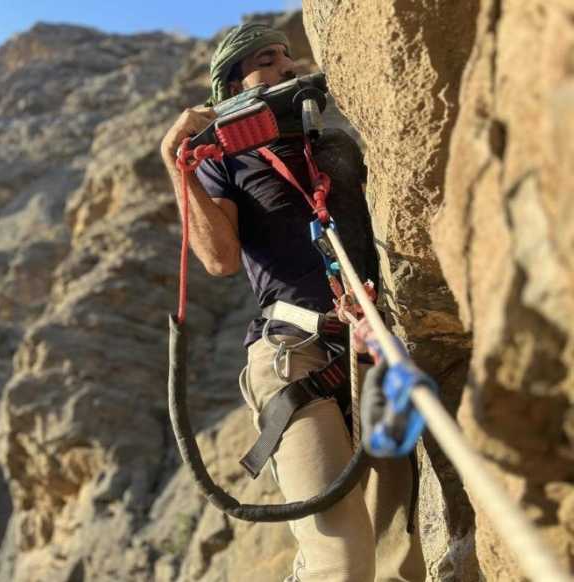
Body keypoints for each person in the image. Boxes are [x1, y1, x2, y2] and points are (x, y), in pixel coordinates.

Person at [160, 22, 426, 582]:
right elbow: (220, 260)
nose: (287, 66)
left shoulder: (335, 147)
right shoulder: (221, 163)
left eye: (288, 57)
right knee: (343, 559)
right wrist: (174, 162)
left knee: (400, 557)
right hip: (294, 354)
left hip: (373, 356)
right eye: (266, 60)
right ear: (232, 91)